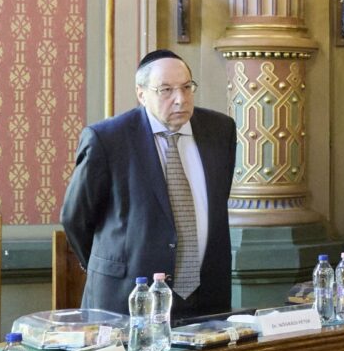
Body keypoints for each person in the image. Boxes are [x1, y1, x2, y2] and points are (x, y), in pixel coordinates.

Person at [60, 49, 238, 321]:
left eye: (187, 87)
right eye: (166, 90)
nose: (180, 99)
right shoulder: (108, 139)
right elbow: (75, 218)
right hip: (127, 297)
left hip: (207, 297)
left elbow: (216, 202)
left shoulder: (220, 130)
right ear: (141, 94)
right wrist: (109, 265)